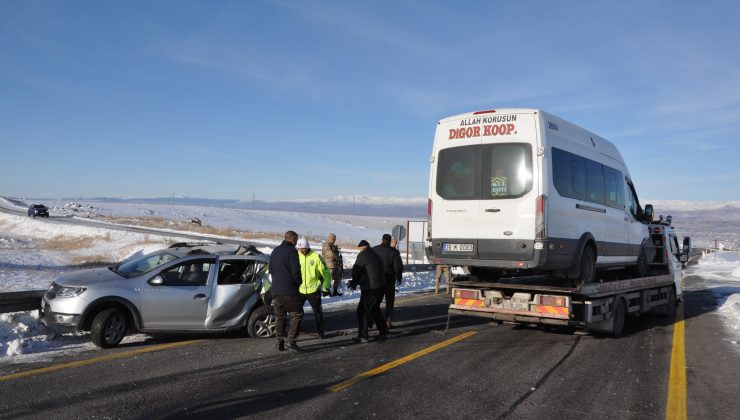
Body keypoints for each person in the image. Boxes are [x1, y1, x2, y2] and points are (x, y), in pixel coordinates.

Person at [268, 230, 304, 352]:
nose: (296, 243)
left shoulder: (275, 251)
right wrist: (299, 282)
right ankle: (291, 341)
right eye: (296, 240)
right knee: (297, 314)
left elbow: (270, 269)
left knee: (280, 317)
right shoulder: (292, 252)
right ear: (293, 239)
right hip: (289, 291)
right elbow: (296, 271)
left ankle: (279, 342)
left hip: (276, 291)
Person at [348, 240, 387, 343]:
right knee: (375, 309)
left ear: (362, 248)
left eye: (359, 249)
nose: (360, 251)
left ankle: (363, 336)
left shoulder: (363, 255)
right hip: (381, 287)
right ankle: (383, 332)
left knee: (362, 312)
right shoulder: (376, 254)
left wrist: (354, 281)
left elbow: (356, 270)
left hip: (370, 288)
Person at [296, 237, 331, 339]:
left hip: (313, 290)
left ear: (307, 247)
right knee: (297, 314)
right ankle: (294, 333)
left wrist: (326, 288)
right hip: (300, 290)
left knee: (318, 313)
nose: (301, 251)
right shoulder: (295, 256)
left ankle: (321, 332)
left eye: (303, 248)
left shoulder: (316, 257)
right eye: (299, 249)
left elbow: (326, 273)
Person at [373, 234, 403, 329]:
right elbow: (398, 267)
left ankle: (376, 322)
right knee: (389, 303)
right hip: (389, 281)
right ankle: (388, 322)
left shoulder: (374, 250)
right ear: (390, 241)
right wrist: (398, 277)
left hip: (376, 280)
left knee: (376, 302)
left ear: (382, 240)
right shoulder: (393, 252)